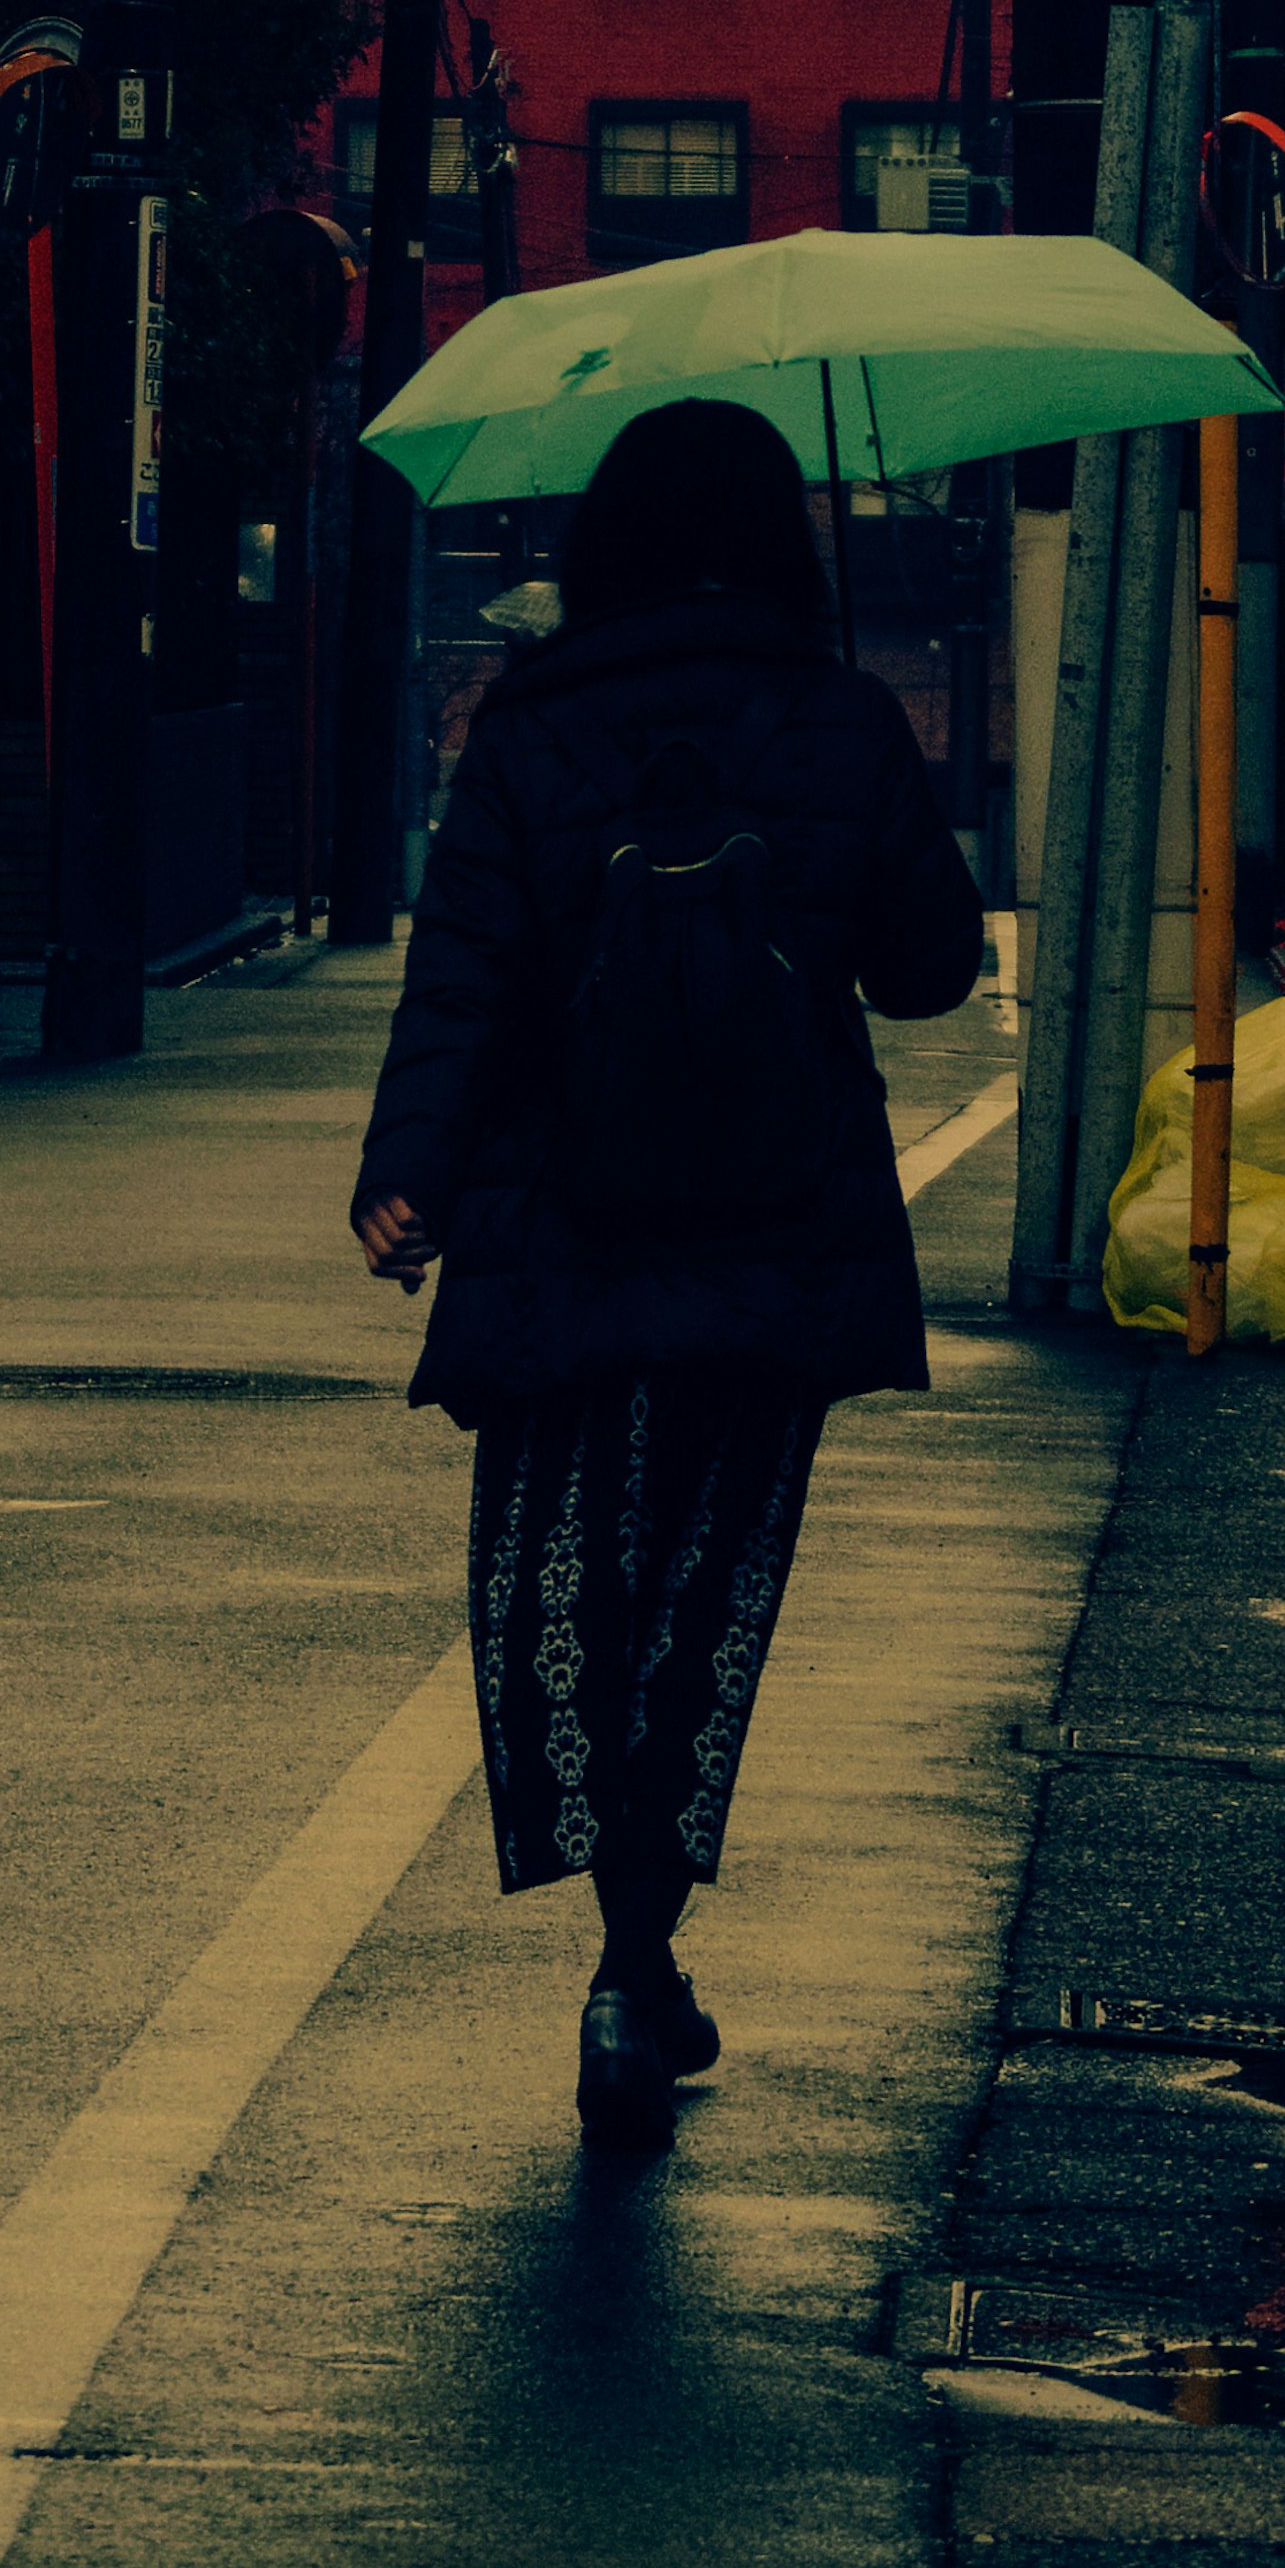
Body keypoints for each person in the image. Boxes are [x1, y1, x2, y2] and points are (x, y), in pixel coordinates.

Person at [348, 396, 984, 2155]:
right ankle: (640, 1965)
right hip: (777, 1242)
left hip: (563, 1235)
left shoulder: (526, 728)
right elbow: (932, 972)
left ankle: (612, 1923)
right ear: (778, 539)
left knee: (570, 1584)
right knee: (709, 1594)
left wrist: (408, 1181)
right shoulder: (841, 715)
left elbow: (461, 982)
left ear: (609, 542)